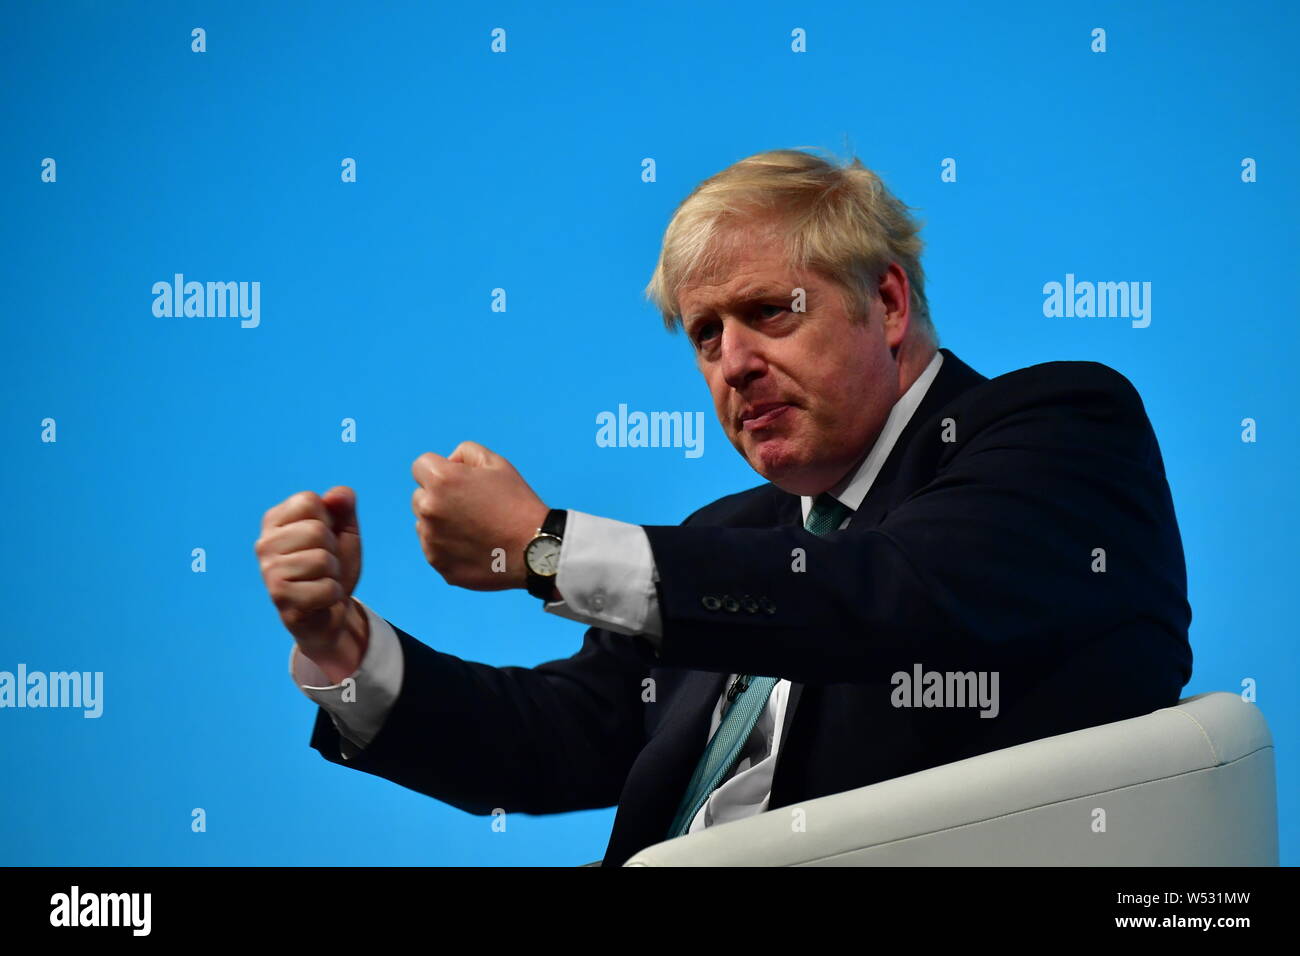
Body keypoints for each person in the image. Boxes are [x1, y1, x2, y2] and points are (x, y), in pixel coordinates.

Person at [254, 148, 1192, 867]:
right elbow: (549, 739)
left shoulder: (1061, 426)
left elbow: (891, 598)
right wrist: (344, 652)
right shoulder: (728, 538)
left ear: (889, 302)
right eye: (706, 336)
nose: (733, 362)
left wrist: (546, 550)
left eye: (770, 312)